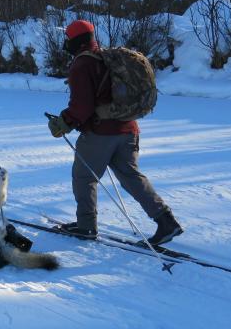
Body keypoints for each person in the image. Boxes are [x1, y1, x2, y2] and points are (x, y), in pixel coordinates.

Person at [48, 20, 183, 245]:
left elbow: (82, 106)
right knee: (132, 177)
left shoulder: (82, 65)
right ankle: (166, 221)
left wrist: (64, 122)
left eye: (68, 40)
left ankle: (86, 226)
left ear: (75, 41)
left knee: (84, 178)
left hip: (101, 133)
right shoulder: (107, 58)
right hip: (129, 128)